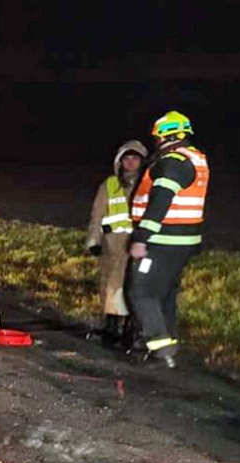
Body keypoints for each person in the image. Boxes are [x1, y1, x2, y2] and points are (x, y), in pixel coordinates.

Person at [127, 111, 209, 368]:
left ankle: (160, 349)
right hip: (182, 241)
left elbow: (160, 202)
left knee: (140, 291)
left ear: (164, 136)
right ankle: (165, 345)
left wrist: (142, 238)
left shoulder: (172, 162)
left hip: (163, 241)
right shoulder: (195, 159)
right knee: (164, 293)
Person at [85, 140, 147, 348]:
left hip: (137, 246)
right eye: (126, 159)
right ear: (120, 162)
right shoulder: (110, 184)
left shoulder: (147, 185)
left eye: (135, 158)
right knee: (110, 285)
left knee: (134, 287)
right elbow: (97, 214)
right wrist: (94, 240)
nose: (130, 163)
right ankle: (111, 327)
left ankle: (131, 329)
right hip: (113, 245)